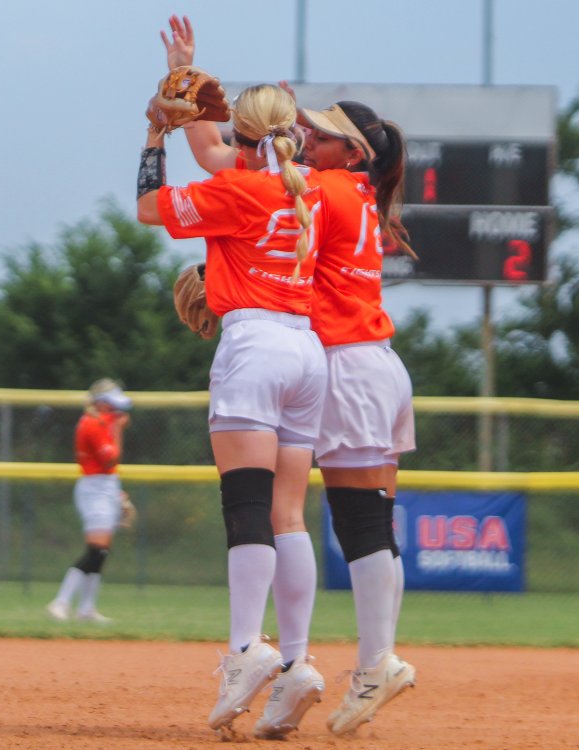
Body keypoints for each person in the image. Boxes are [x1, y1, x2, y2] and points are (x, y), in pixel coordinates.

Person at [160, 15, 417, 736]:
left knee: (313, 517)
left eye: (321, 130)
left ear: (350, 150)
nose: (307, 133)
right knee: (360, 520)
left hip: (334, 357)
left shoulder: (324, 191)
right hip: (369, 361)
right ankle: (364, 662)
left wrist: (186, 88)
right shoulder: (352, 195)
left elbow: (221, 163)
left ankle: (358, 659)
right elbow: (239, 163)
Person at [137, 76, 329, 736]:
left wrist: (156, 131)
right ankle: (299, 663)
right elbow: (221, 154)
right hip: (309, 352)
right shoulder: (306, 189)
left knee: (246, 506)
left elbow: (148, 209)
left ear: (242, 139)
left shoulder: (239, 188)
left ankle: (248, 649)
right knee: (289, 513)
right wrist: (197, 96)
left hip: (254, 347)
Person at [47, 379, 134, 624]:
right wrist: (118, 429)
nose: (118, 411)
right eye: (113, 405)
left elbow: (110, 470)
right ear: (102, 404)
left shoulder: (101, 422)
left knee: (102, 552)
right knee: (96, 550)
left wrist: (117, 493)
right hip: (94, 488)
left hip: (105, 485)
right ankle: (61, 602)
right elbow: (110, 459)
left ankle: (86, 608)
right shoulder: (92, 424)